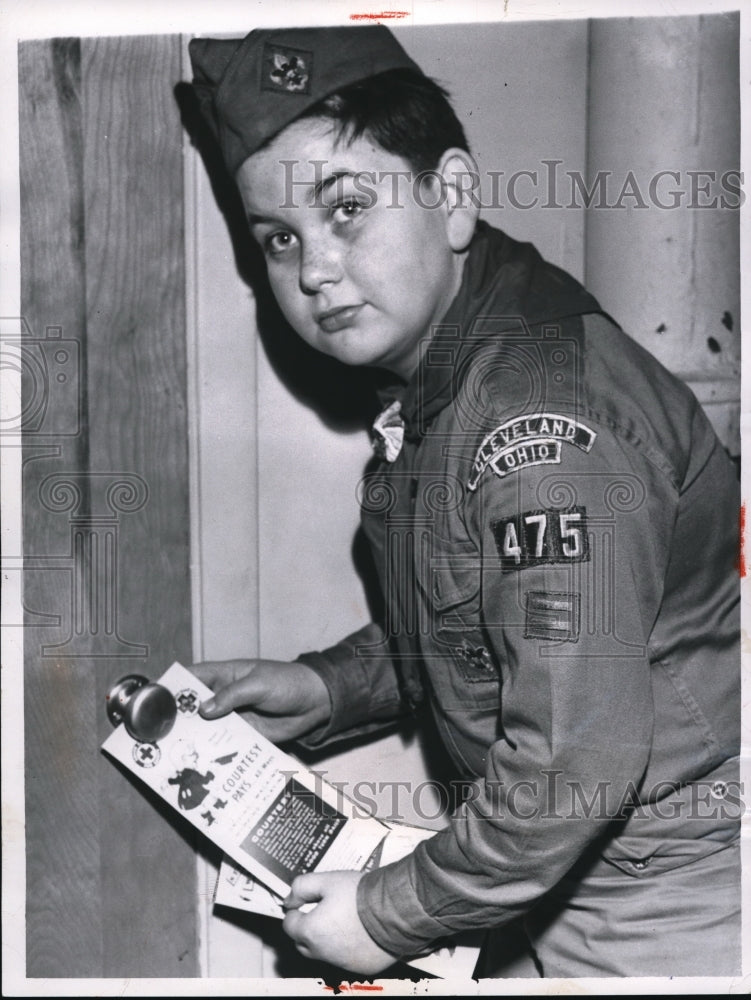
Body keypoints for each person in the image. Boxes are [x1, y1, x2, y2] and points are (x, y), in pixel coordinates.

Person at [187, 24, 741, 979]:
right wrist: (329, 686)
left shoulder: (535, 422)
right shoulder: (457, 373)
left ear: (450, 195)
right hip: (547, 867)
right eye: (279, 239)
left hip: (657, 892)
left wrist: (391, 913)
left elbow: (573, 767)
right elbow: (493, 621)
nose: (314, 269)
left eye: (347, 208)